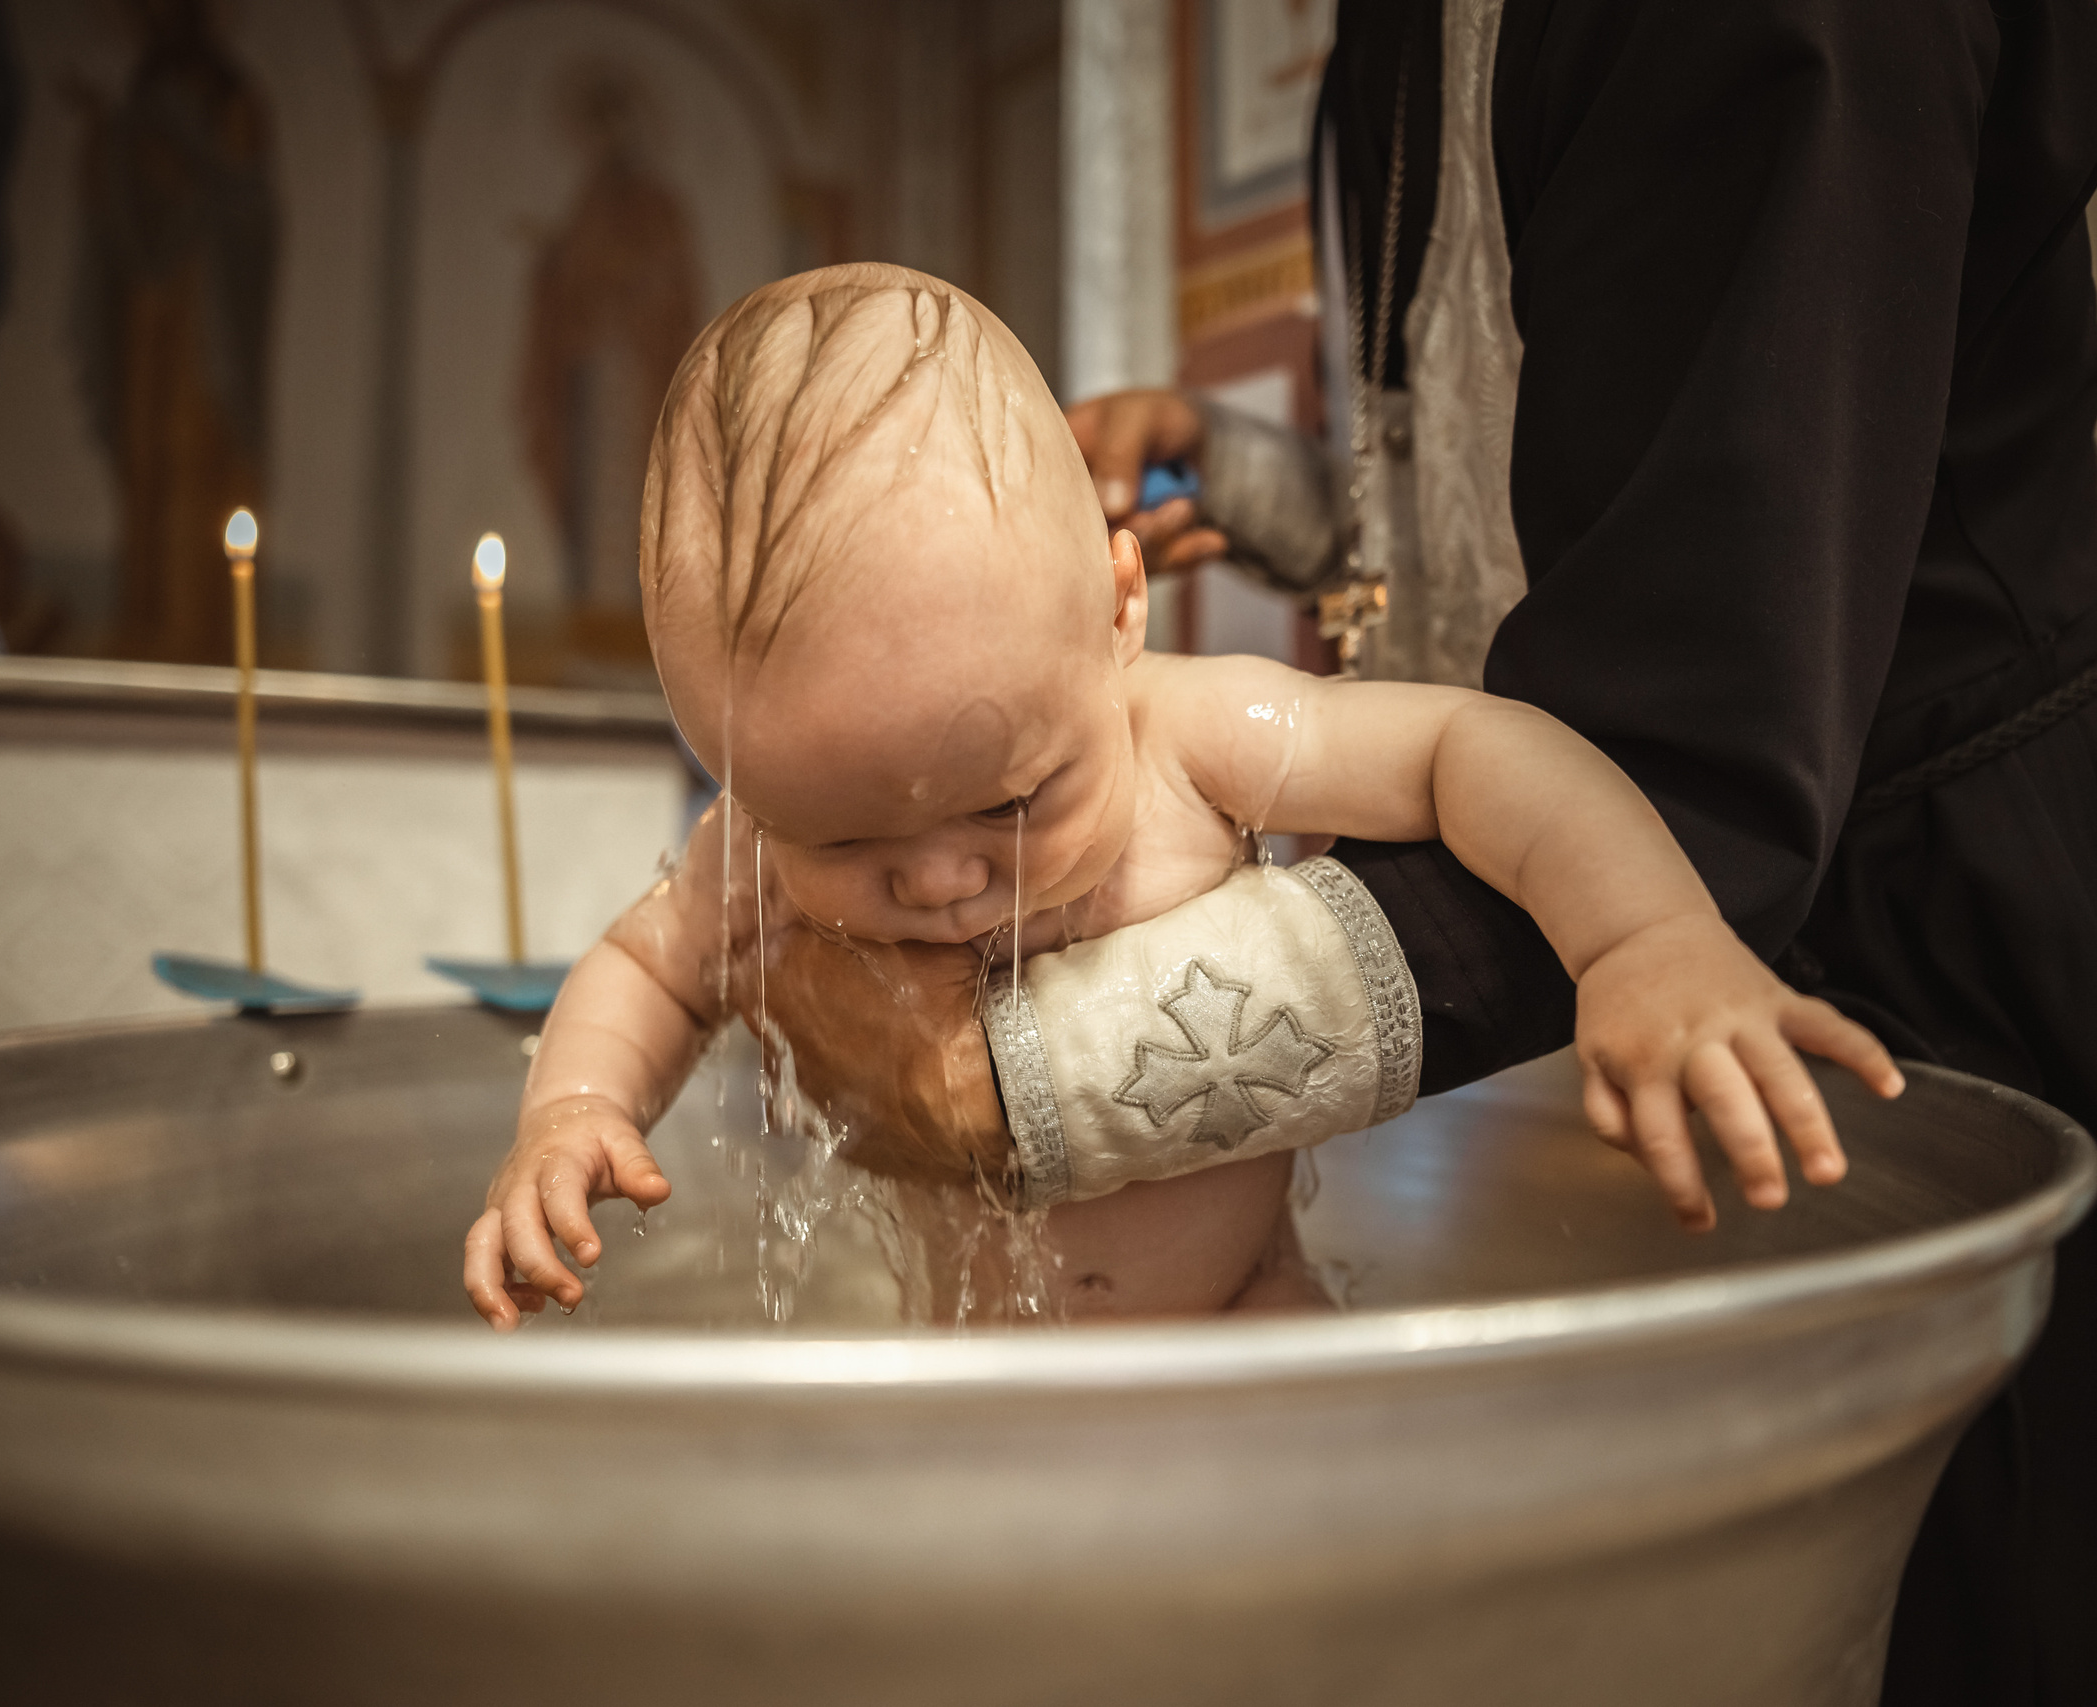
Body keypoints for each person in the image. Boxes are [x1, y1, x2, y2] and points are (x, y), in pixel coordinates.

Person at [757, 2, 2097, 1701]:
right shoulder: (1395, 37)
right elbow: (1562, 469)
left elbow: (1682, 730)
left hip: (1942, 926)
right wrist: (1260, 477)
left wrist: (1030, 1077)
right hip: (1608, 910)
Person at [460, 263, 1901, 1329]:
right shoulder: (758, 849)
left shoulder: (1191, 741)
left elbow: (1476, 754)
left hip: (1244, 1318)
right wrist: (573, 1109)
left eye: (1014, 801)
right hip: (969, 1373)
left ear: (1120, 606)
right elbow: (648, 961)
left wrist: (1639, 943)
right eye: (846, 840)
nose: (944, 878)